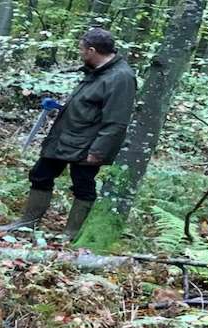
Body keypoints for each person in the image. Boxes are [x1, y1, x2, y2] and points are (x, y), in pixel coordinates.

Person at [9, 27, 136, 238]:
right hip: (66, 138)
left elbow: (117, 121)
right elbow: (89, 106)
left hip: (88, 144)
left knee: (83, 185)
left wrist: (98, 151)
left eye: (82, 49)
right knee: (40, 174)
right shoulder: (96, 71)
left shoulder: (121, 77)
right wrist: (60, 107)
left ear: (92, 50)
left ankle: (72, 234)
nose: (80, 53)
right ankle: (26, 224)